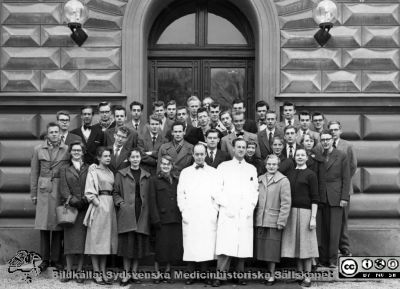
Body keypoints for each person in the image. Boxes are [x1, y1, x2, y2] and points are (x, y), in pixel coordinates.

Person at [213, 138, 258, 287]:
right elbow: (217, 190)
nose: (241, 149)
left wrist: (249, 208)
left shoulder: (251, 168)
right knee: (225, 244)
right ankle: (220, 275)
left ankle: (239, 275)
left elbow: (254, 191)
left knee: (242, 244)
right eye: (238, 147)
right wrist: (226, 206)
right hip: (228, 212)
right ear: (233, 148)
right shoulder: (223, 167)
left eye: (243, 147)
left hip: (244, 212)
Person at [178, 144, 220, 285]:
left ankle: (204, 274)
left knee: (206, 245)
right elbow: (180, 193)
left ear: (206, 155)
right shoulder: (185, 172)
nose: (200, 157)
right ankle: (191, 274)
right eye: (197, 154)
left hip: (207, 214)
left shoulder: (214, 172)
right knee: (190, 244)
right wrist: (184, 210)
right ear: (193, 155)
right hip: (191, 213)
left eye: (202, 154)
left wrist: (214, 211)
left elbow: (218, 193)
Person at [31, 122, 70, 272]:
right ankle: (44, 259)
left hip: (60, 189)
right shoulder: (38, 149)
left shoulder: (66, 149)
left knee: (58, 225)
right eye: (51, 132)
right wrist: (33, 194)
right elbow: (34, 173)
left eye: (56, 132)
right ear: (47, 134)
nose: (54, 134)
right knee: (44, 226)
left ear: (60, 133)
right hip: (44, 190)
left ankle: (56, 259)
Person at [113, 149, 152, 286]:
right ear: (129, 159)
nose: (135, 159)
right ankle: (125, 275)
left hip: (141, 213)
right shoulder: (121, 174)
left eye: (137, 157)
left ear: (141, 158)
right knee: (127, 247)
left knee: (138, 246)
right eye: (133, 157)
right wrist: (121, 203)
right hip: (127, 213)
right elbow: (115, 192)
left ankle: (134, 274)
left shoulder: (147, 175)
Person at [281, 148, 319, 287]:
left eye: (303, 155)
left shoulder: (311, 175)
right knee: (296, 245)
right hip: (291, 213)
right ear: (294, 157)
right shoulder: (290, 174)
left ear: (307, 158)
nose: (300, 157)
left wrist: (313, 217)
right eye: (298, 155)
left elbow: (315, 198)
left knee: (307, 246)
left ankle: (308, 277)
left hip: (306, 213)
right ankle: (299, 274)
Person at [83, 147, 118, 285]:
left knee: (105, 242)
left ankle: (103, 272)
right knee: (96, 240)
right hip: (99, 207)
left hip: (110, 207)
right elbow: (89, 191)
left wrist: (109, 206)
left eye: (109, 155)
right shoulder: (93, 170)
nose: (108, 158)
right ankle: (96, 273)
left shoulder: (110, 172)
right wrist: (98, 204)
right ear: (98, 158)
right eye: (105, 156)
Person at [255, 154, 291, 286]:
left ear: (278, 165)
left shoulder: (283, 180)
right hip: (260, 219)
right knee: (262, 249)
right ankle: (264, 273)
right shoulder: (260, 179)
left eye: (274, 164)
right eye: (269, 164)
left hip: (274, 221)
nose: (271, 166)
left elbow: (286, 203)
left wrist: (282, 221)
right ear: (265, 165)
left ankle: (271, 275)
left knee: (272, 250)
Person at [317, 130, 350, 268]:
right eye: (323, 139)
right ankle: (323, 259)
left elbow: (346, 178)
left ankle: (332, 260)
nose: (325, 142)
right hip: (322, 197)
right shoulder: (318, 156)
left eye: (327, 139)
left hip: (336, 197)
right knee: (322, 230)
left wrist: (344, 197)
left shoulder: (341, 155)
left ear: (332, 139)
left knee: (334, 231)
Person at [149, 155, 183, 283]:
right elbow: (152, 201)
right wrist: (155, 219)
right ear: (160, 165)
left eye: (168, 164)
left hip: (174, 218)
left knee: (171, 247)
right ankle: (157, 273)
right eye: (163, 164)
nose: (165, 166)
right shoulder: (154, 180)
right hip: (161, 219)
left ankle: (167, 272)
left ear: (172, 166)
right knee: (160, 248)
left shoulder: (176, 180)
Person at [59, 141, 89, 283]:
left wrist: (84, 200)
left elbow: (92, 185)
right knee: (70, 242)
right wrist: (72, 200)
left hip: (85, 209)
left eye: (79, 150)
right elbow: (63, 189)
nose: (77, 152)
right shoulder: (64, 169)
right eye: (74, 150)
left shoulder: (89, 168)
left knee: (82, 242)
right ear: (70, 152)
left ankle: (80, 271)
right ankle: (69, 270)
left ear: (83, 152)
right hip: (71, 210)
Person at [327, 121, 357, 257]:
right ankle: (331, 248)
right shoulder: (325, 145)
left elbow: (352, 166)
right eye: (331, 130)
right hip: (330, 189)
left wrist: (343, 183)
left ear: (340, 131)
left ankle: (344, 247)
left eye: (335, 129)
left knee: (343, 219)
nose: (333, 132)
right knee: (331, 220)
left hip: (344, 189)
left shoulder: (348, 146)